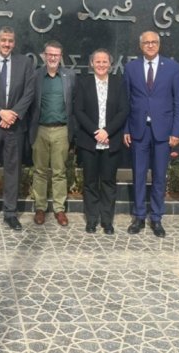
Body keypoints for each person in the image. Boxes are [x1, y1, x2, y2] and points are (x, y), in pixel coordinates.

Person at [124, 31, 179, 238]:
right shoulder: (131, 68)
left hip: (163, 131)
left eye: (153, 42)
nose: (150, 45)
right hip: (138, 130)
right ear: (140, 46)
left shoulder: (173, 68)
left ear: (159, 45)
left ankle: (156, 217)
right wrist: (126, 129)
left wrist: (176, 131)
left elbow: (178, 102)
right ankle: (139, 216)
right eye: (146, 42)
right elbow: (126, 101)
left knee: (159, 176)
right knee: (139, 175)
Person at [0, 27, 35, 231]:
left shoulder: (25, 63)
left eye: (10, 41)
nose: (7, 44)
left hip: (15, 126)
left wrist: (13, 114)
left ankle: (10, 213)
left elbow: (29, 92)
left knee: (13, 171)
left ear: (14, 43)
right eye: (3, 40)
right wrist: (0, 112)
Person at [74, 49, 128, 234]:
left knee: (108, 182)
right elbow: (78, 110)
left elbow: (123, 111)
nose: (101, 64)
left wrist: (107, 132)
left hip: (111, 141)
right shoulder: (83, 83)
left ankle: (107, 220)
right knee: (90, 182)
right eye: (98, 61)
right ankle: (91, 219)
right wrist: (96, 131)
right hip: (89, 141)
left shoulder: (119, 83)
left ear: (110, 64)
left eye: (105, 61)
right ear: (91, 64)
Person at [28, 40, 76, 226]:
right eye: (50, 54)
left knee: (59, 172)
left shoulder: (69, 76)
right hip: (40, 129)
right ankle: (40, 208)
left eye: (56, 54)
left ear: (61, 56)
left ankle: (59, 209)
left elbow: (74, 103)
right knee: (39, 171)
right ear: (44, 56)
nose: (53, 57)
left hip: (62, 130)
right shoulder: (36, 75)